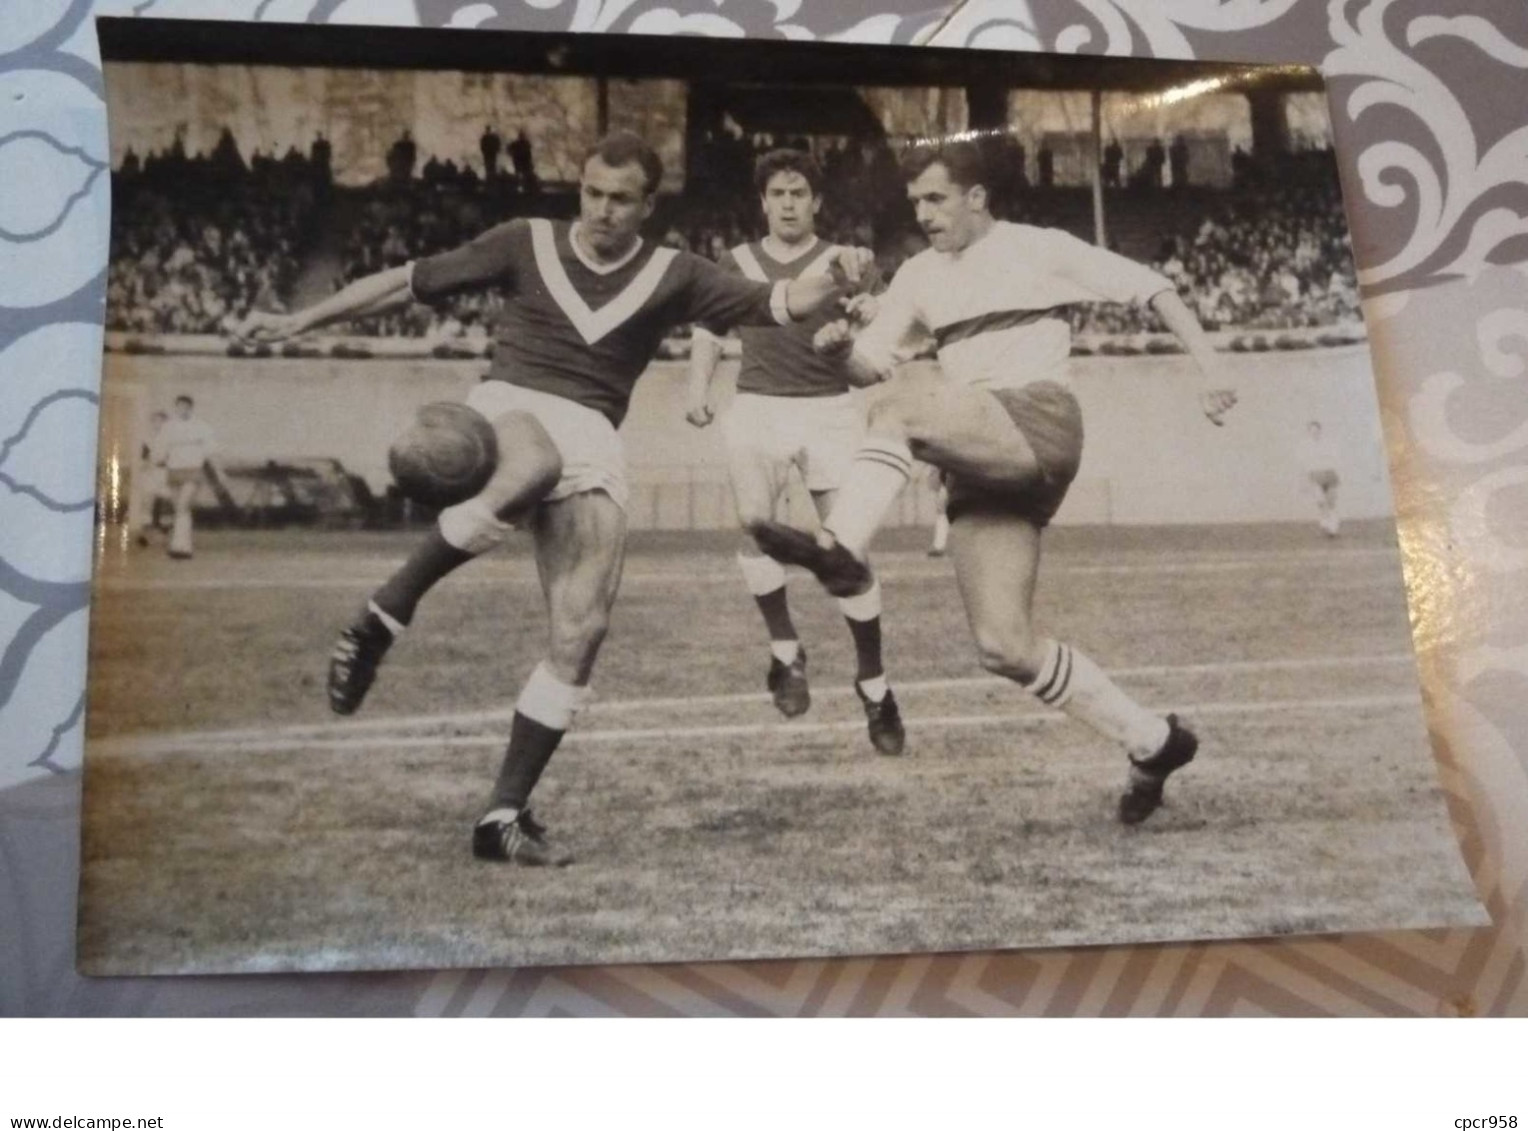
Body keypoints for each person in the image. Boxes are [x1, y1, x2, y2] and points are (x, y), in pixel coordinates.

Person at [235, 130, 872, 866]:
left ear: (647, 205)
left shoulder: (677, 272)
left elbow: (784, 301)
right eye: (593, 194)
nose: (603, 210)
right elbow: (405, 280)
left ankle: (502, 815)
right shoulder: (524, 241)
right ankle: (385, 611)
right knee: (534, 458)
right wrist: (294, 321)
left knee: (583, 629)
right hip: (513, 406)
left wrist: (842, 274)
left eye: (621, 199)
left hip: (596, 435)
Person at [753, 141, 1238, 826]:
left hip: (1036, 421)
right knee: (1003, 645)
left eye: (936, 199)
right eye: (916, 202)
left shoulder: (1038, 247)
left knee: (903, 404)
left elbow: (1151, 286)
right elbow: (870, 366)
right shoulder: (919, 275)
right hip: (979, 455)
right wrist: (836, 353)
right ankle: (1153, 741)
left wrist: (1212, 368)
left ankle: (840, 545)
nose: (923, 213)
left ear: (976, 197)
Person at [685, 149, 904, 755]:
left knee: (847, 552)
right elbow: (708, 329)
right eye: (777, 194)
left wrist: (866, 312)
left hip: (831, 409)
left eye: (798, 193)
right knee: (755, 525)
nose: (787, 203)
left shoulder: (845, 261)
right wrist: (697, 386)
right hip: (757, 405)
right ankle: (786, 651)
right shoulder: (737, 261)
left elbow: (883, 321)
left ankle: (875, 687)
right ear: (762, 202)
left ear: (816, 202)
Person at [154, 395, 220, 560]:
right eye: (179, 407)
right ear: (176, 408)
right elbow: (160, 449)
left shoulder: (201, 426)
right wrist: (159, 459)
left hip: (192, 471)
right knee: (180, 510)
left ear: (190, 408)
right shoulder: (169, 427)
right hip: (174, 471)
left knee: (183, 506)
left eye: (185, 407)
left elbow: (211, 449)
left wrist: (215, 469)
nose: (182, 410)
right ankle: (182, 546)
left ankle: (181, 546)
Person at [133, 409, 170, 547]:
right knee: (148, 500)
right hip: (150, 472)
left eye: (162, 421)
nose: (158, 424)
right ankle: (145, 532)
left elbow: (172, 457)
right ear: (152, 423)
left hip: (164, 471)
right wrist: (146, 464)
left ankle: (160, 529)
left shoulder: (169, 440)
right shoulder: (147, 439)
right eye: (155, 421)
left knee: (162, 500)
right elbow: (143, 456)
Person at [1300, 419, 1341, 537]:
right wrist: (1304, 479)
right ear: (1308, 432)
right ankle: (1325, 521)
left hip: (1329, 474)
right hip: (1315, 474)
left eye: (1317, 430)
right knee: (1321, 501)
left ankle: (1333, 527)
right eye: (1312, 431)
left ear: (1320, 431)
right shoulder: (1305, 446)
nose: (1315, 433)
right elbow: (1304, 464)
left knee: (1331, 502)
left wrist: (1333, 470)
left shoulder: (1328, 443)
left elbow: (1335, 458)